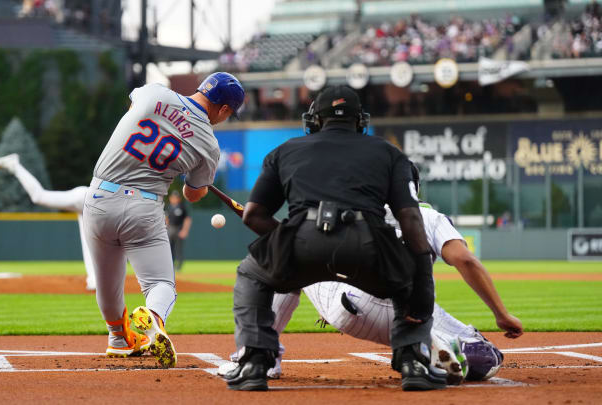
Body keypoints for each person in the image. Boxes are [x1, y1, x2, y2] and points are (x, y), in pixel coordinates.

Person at [224, 85, 443, 391]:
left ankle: (254, 363)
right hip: (368, 244)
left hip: (302, 242)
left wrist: (288, 242)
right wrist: (419, 282)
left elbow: (253, 215)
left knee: (251, 274)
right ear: (359, 121)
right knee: (406, 275)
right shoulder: (389, 153)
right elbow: (410, 219)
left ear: (314, 119)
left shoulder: (285, 150)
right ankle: (413, 363)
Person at [223, 165, 524, 384]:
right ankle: (434, 345)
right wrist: (501, 313)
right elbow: (465, 260)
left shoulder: (353, 210)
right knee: (487, 357)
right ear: (414, 189)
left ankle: (264, 357)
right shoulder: (427, 216)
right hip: (402, 312)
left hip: (339, 299)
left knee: (284, 255)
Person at [82, 72, 244, 368]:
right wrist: (192, 178)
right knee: (161, 284)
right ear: (223, 110)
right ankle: (153, 317)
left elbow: (133, 107)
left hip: (99, 198)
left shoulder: (154, 92)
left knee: (108, 282)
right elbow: (193, 194)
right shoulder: (208, 144)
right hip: (143, 207)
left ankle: (118, 338)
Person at [0, 153, 97, 291]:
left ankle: (94, 279)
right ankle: (14, 165)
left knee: (90, 238)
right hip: (88, 199)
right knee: (38, 196)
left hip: (92, 202)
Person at [165, 190, 192, 272]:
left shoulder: (182, 207)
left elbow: (187, 219)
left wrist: (185, 230)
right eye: (173, 197)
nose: (174, 199)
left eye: (176, 197)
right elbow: (166, 219)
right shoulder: (168, 207)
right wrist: (165, 229)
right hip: (170, 229)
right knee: (169, 249)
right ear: (170, 198)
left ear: (179, 199)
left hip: (179, 229)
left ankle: (179, 267)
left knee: (179, 249)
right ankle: (171, 266)